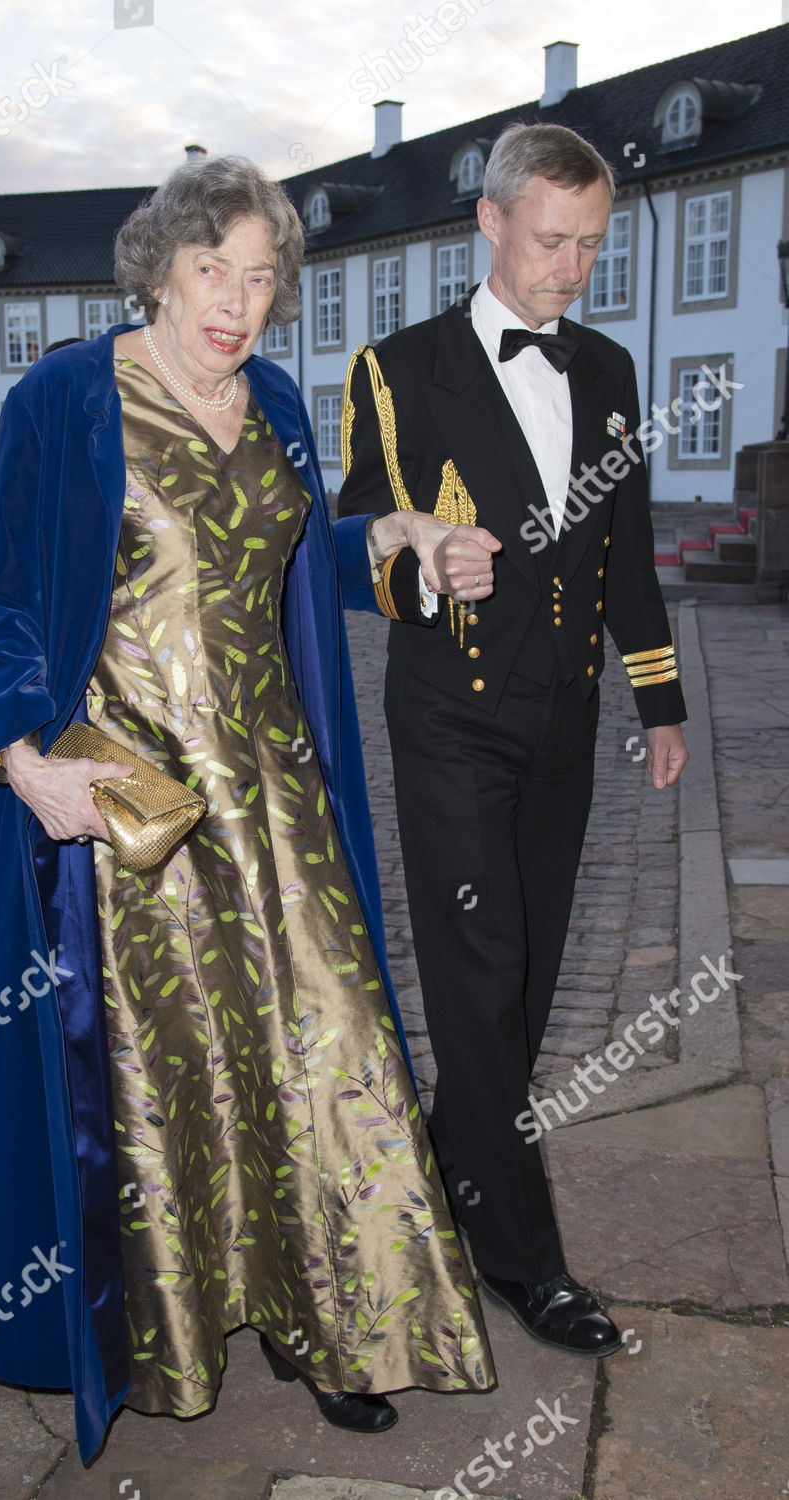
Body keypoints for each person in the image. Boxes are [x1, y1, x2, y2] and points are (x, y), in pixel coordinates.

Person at [0, 155, 493, 1463]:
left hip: (279, 797)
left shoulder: (281, 401)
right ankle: (166, 1328)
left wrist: (394, 545)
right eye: (209, 271)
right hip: (134, 806)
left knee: (328, 1049)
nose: (237, 301)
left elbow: (293, 561)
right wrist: (23, 757)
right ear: (156, 269)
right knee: (163, 1078)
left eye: (259, 275)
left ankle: (345, 1315)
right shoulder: (69, 398)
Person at [337, 123, 689, 1357]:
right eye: (551, 241)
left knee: (525, 981)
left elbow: (629, 546)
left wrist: (657, 700)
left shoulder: (607, 370)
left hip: (564, 722)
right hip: (448, 721)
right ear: (489, 224)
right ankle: (524, 1264)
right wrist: (421, 553)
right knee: (478, 983)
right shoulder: (396, 369)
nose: (572, 268)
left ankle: (435, 1176)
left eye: (591, 246)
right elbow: (350, 543)